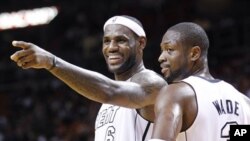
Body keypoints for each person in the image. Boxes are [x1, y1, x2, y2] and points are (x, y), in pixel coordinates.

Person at [10, 15, 167, 141]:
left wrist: (52, 62)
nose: (111, 47)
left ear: (141, 43)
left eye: (121, 40)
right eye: (106, 41)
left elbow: (110, 91)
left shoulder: (153, 83)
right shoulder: (106, 105)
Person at [148, 22, 250, 141]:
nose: (161, 57)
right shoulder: (243, 101)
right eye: (162, 50)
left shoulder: (176, 93)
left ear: (194, 53)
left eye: (169, 49)